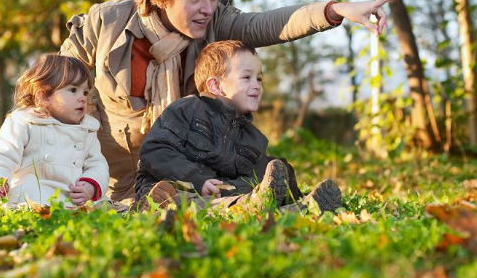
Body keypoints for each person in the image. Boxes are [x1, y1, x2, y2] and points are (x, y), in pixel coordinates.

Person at [60, 0, 398, 205]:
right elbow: (51, 90)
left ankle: (269, 200)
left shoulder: (214, 21)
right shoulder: (106, 24)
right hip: (112, 180)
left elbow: (268, 24)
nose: (207, 8)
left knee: (215, 195)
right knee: (159, 204)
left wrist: (334, 10)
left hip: (190, 169)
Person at [136, 40, 342, 213]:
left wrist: (283, 178)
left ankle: (297, 207)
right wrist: (197, 179)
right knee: (181, 200)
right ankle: (250, 206)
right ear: (216, 86)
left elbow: (263, 176)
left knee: (271, 169)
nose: (257, 85)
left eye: (259, 78)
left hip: (219, 193)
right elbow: (155, 150)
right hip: (170, 189)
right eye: (247, 77)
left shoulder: (252, 137)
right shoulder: (188, 109)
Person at [0, 54, 109, 208]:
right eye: (73, 90)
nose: (82, 98)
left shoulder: (87, 130)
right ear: (44, 97)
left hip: (70, 198)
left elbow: (97, 165)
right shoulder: (24, 122)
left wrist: (90, 185)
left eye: (85, 92)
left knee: (105, 207)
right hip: (30, 196)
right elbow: (3, 155)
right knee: (27, 203)